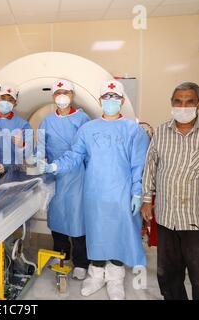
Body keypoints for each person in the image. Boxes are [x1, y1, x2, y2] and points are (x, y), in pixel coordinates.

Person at [40, 80, 150, 300]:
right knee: (97, 233)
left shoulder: (133, 130)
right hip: (94, 191)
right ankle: (96, 275)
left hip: (121, 192)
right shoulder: (87, 129)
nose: (111, 101)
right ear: (100, 101)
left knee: (118, 234)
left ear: (122, 100)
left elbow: (139, 165)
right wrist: (54, 165)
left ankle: (115, 278)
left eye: (115, 97)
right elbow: (74, 155)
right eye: (107, 98)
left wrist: (138, 192)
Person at [141, 82, 199, 300]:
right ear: (171, 103)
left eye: (189, 102)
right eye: (178, 102)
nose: (183, 107)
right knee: (168, 276)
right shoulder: (162, 131)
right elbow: (150, 167)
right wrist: (147, 200)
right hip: (167, 219)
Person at [37, 80, 91, 280]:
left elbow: (84, 150)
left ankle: (80, 262)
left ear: (72, 95)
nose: (61, 95)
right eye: (58, 92)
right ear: (53, 96)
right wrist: (39, 160)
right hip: (54, 176)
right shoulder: (46, 121)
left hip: (77, 175)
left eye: (65, 92)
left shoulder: (83, 119)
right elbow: (40, 147)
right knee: (57, 216)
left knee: (77, 219)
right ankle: (61, 253)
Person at [0, 84, 33, 173]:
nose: (6, 102)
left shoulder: (23, 125)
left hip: (14, 172)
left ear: (15, 103)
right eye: (3, 98)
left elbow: (29, 155)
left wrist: (22, 145)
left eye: (10, 100)